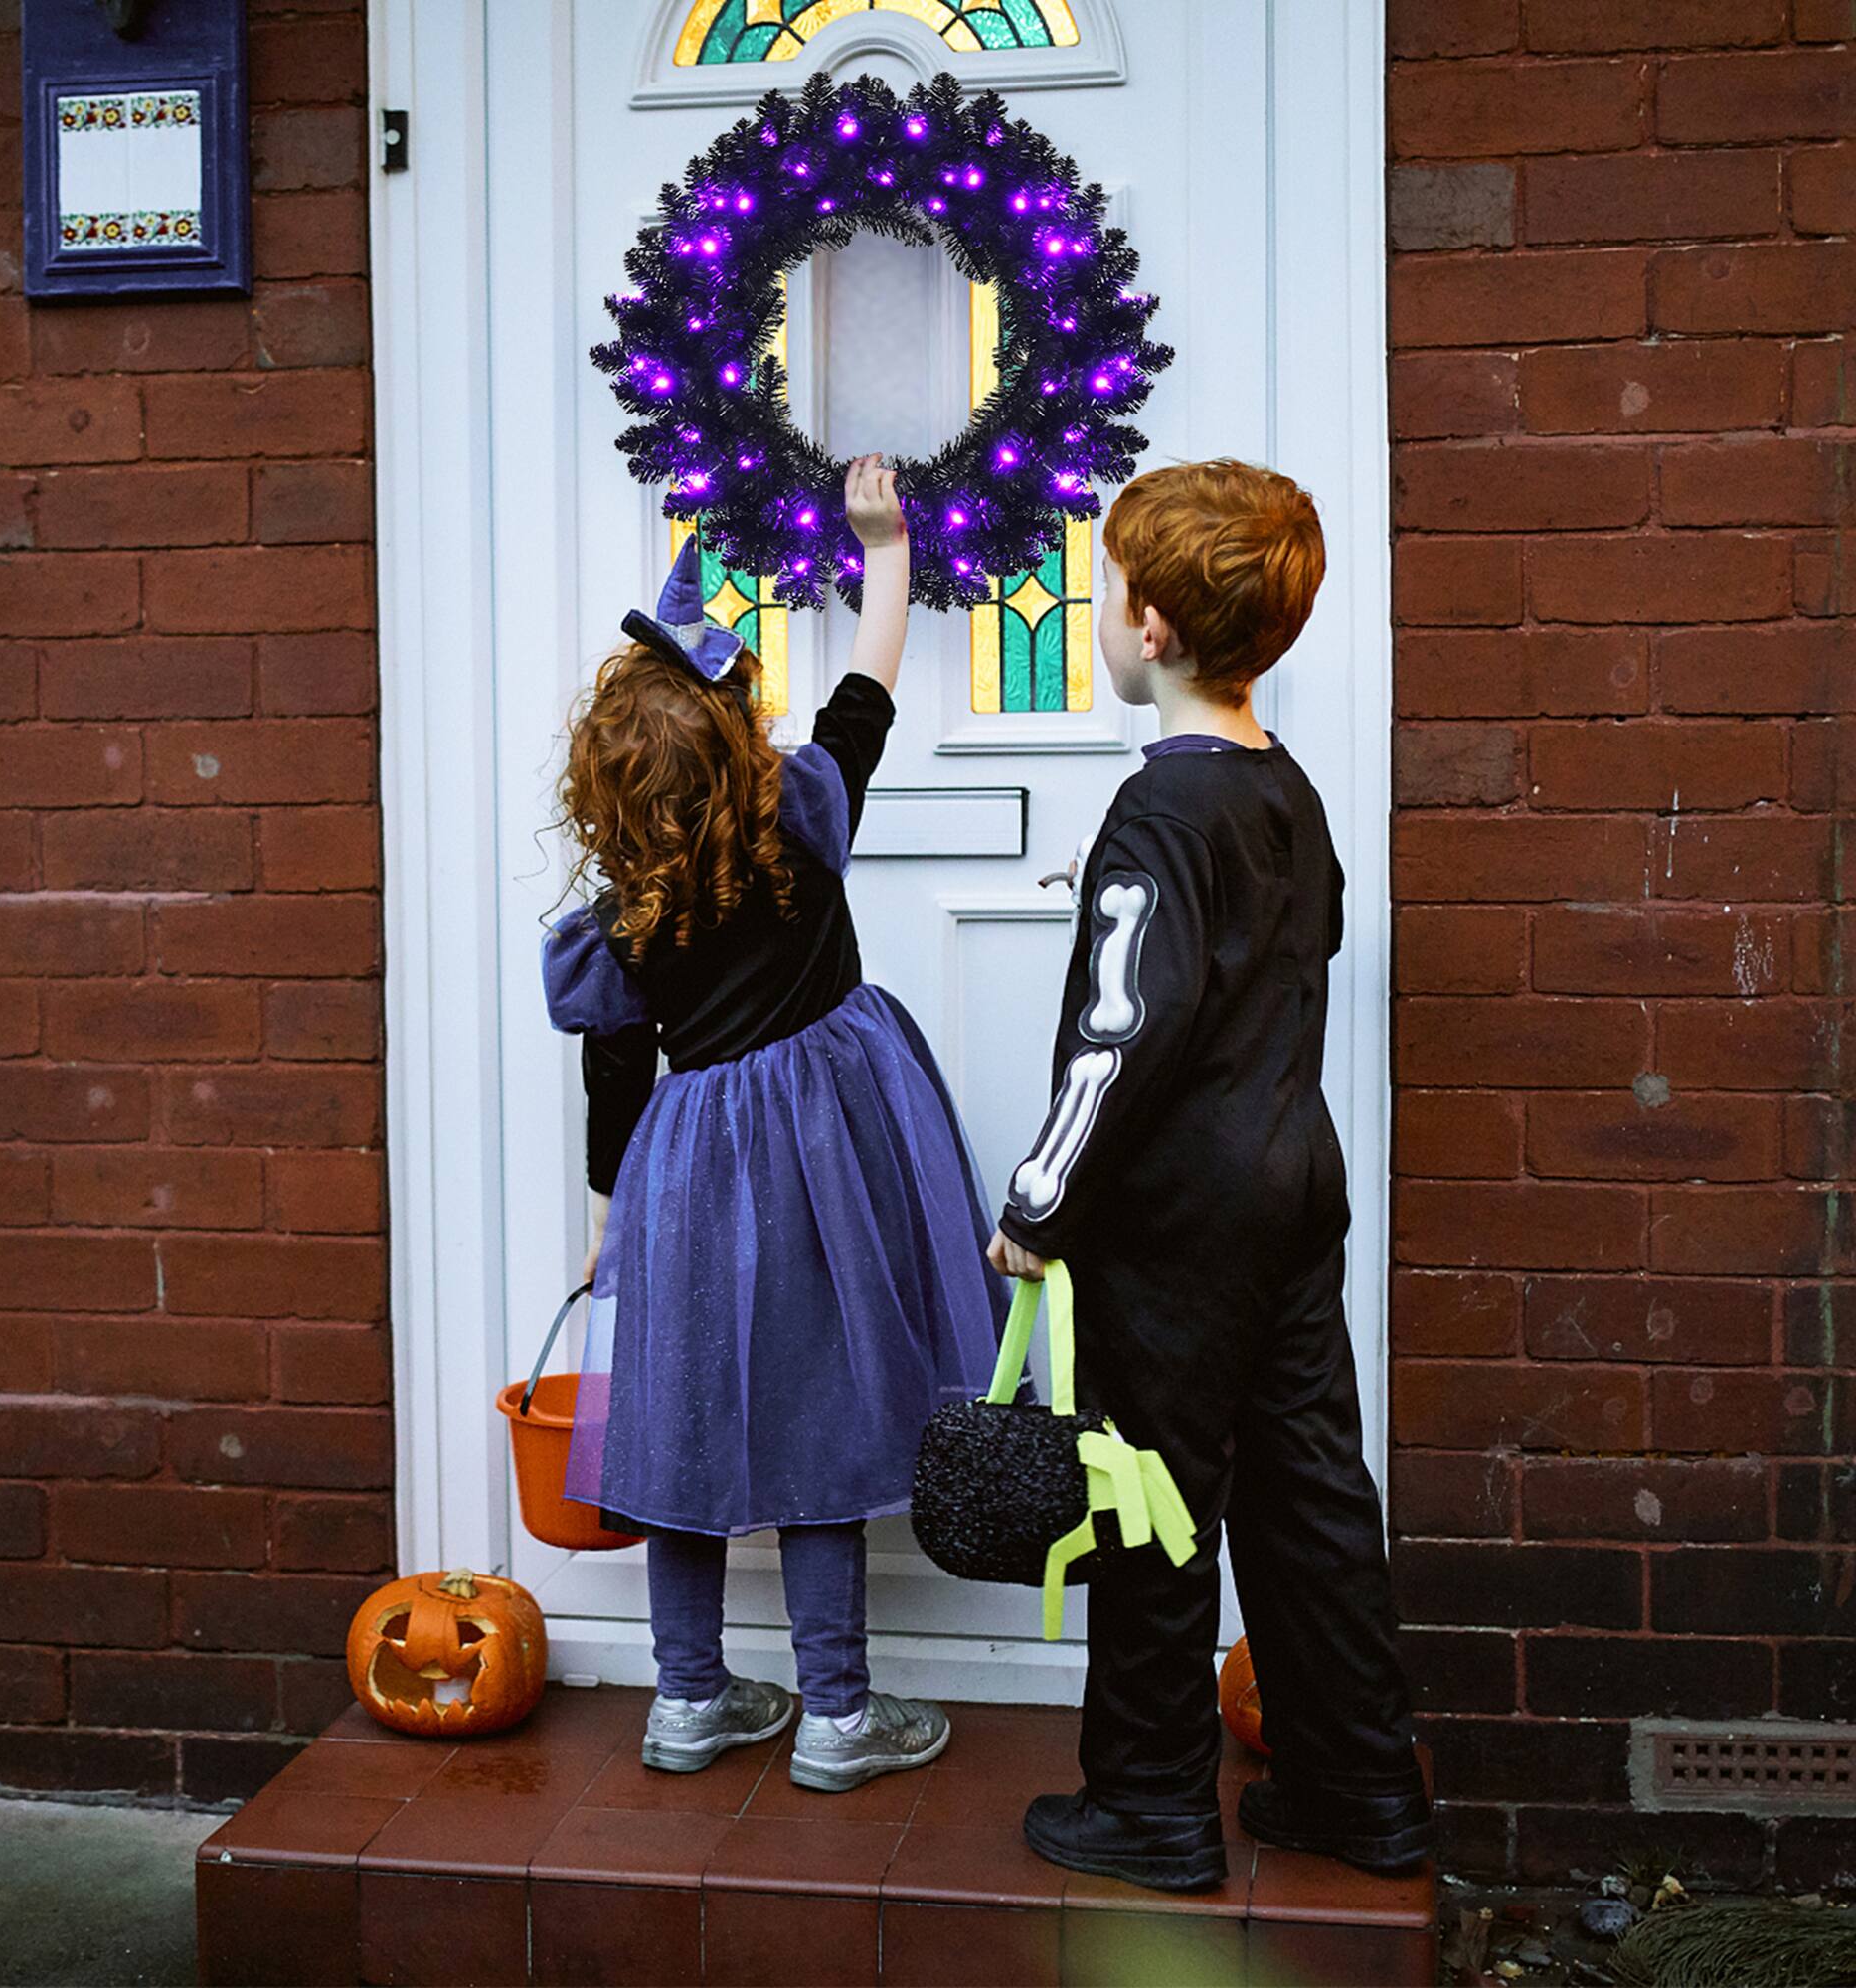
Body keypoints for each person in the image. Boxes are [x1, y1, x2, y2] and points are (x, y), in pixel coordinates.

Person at [988, 459, 1431, 1891]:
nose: (1100, 612)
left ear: (1154, 629)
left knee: (1149, 1502)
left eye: (1107, 590)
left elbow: (1123, 1035)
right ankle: (1361, 1790)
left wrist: (1039, 1207)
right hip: (1293, 1191)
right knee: (1306, 1490)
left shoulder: (1156, 815)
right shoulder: (1277, 788)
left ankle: (1150, 1808)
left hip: (1174, 1228)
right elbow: (1291, 942)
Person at [544, 455, 1006, 1793]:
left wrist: (605, 1228)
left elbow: (615, 1082)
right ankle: (837, 1716)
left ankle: (686, 1700)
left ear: (612, 786)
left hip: (688, 1173)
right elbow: (868, 689)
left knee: (676, 1421)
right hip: (829, 1164)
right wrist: (887, 546)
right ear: (742, 741)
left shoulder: (624, 918)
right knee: (819, 1422)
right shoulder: (802, 818)